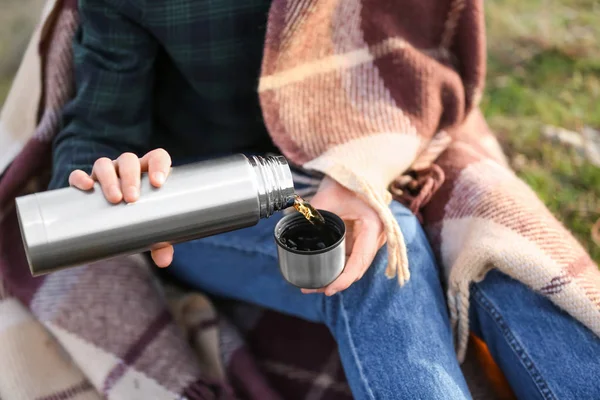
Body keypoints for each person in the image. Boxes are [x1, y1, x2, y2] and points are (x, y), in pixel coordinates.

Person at [49, 0, 600, 398]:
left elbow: (420, 55)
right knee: (377, 251)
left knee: (507, 251)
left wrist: (359, 166)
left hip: (379, 133)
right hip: (204, 192)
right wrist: (103, 185)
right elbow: (98, 130)